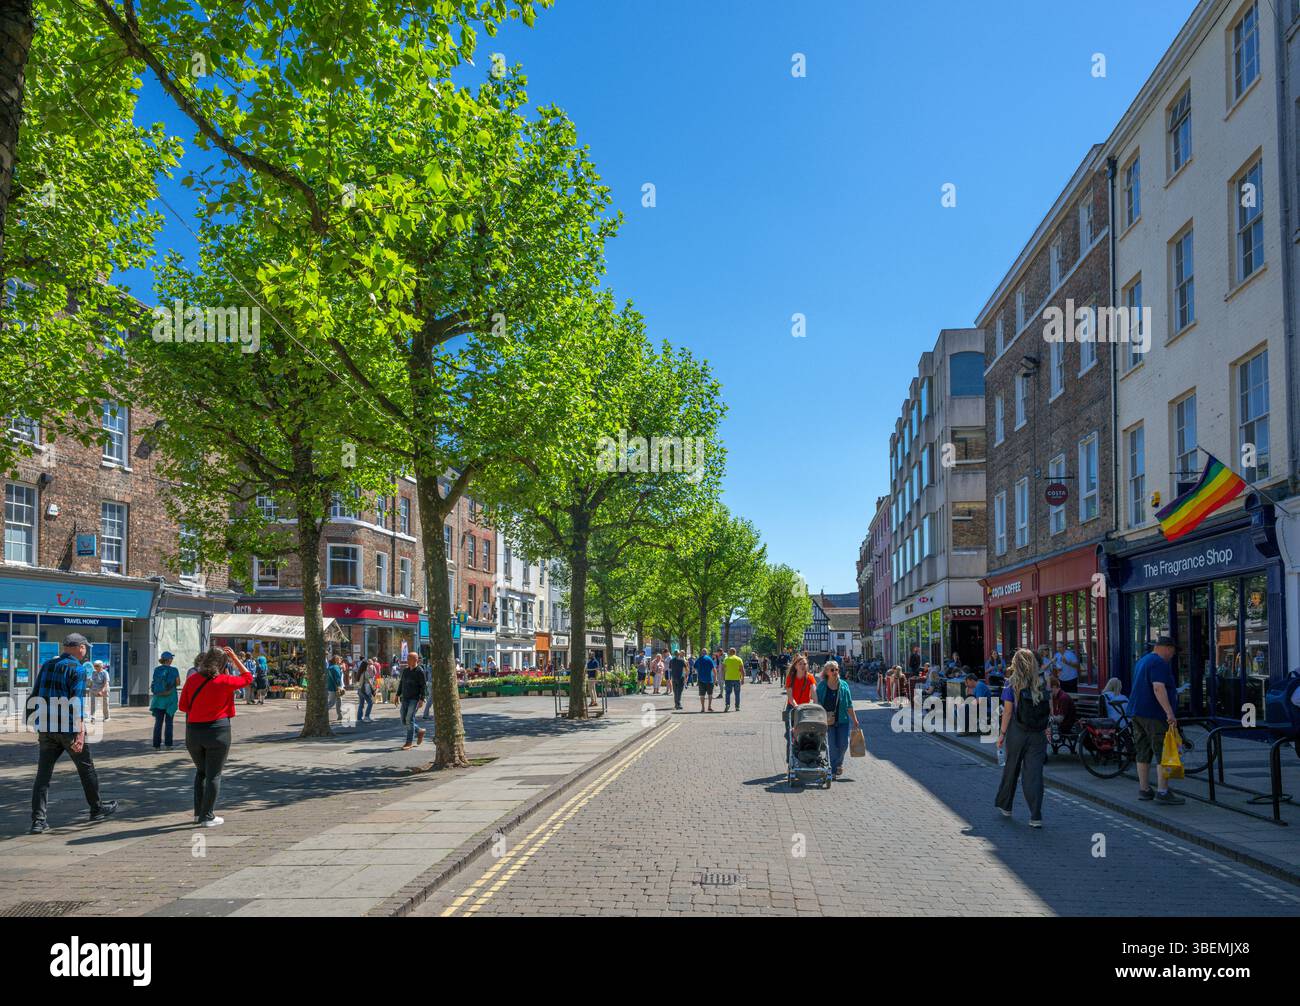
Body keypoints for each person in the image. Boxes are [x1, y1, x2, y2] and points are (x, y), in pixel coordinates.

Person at [28, 633, 118, 834]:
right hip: (68, 728)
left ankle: (38, 820)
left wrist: (36, 723)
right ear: (79, 647)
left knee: (43, 775)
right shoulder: (76, 668)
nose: (85, 651)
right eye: (85, 647)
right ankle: (96, 808)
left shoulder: (47, 665)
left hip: (47, 727)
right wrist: (80, 733)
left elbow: (34, 695)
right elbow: (76, 703)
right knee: (86, 768)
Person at [179, 646, 254, 827]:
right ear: (223, 664)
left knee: (201, 772)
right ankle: (208, 816)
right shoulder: (225, 680)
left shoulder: (192, 680)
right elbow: (248, 678)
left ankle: (198, 813)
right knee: (214, 774)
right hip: (218, 731)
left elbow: (183, 707)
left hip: (194, 733)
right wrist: (235, 657)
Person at [995, 648, 1050, 827]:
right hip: (1038, 733)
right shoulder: (1042, 681)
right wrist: (1047, 728)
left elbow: (1008, 711)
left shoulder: (1011, 683)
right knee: (1034, 774)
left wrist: (1001, 734)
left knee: (1011, 769)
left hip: (1017, 732)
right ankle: (1036, 816)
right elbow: (1049, 708)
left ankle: (1006, 806)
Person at [1130, 636, 1184, 805]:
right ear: (1167, 648)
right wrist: (1169, 713)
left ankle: (1144, 789)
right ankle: (1162, 791)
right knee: (1163, 751)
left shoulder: (1142, 661)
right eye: (1173, 652)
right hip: (1154, 714)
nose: (1172, 655)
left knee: (1142, 751)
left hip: (1137, 712)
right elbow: (1158, 688)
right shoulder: (1159, 663)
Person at [816, 661, 860, 777]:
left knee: (843, 745)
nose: (835, 672)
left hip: (842, 720)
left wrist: (855, 719)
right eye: (832, 670)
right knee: (831, 745)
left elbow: (849, 704)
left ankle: (838, 763)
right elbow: (817, 702)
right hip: (827, 720)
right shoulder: (822, 686)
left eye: (836, 669)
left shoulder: (844, 685)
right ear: (826, 672)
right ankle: (834, 769)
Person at [149, 651, 182, 750]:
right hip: (170, 700)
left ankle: (156, 745)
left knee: (158, 723)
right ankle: (168, 745)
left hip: (158, 700)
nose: (172, 660)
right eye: (171, 658)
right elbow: (178, 683)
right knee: (169, 723)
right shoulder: (174, 670)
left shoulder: (157, 669)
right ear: (169, 660)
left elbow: (155, 682)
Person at [397, 653, 427, 750]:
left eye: (409, 658)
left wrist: (422, 699)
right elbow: (402, 683)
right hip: (405, 698)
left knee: (409, 719)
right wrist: (397, 695)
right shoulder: (405, 670)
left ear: (415, 660)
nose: (407, 660)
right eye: (407, 658)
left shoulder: (420, 671)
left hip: (414, 699)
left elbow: (423, 686)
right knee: (403, 719)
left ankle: (409, 742)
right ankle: (419, 730)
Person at [722, 647, 745, 711]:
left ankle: (727, 705)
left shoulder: (726, 659)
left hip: (728, 678)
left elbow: (723, 669)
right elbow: (742, 670)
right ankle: (737, 707)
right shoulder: (739, 659)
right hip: (737, 678)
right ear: (735, 652)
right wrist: (743, 679)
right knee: (737, 693)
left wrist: (724, 677)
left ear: (730, 652)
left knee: (728, 693)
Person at [355, 658, 375, 723]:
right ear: (365, 666)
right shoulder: (365, 672)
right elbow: (369, 682)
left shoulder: (359, 672)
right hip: (364, 690)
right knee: (370, 702)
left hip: (360, 689)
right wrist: (373, 689)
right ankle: (366, 716)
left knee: (361, 704)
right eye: (367, 665)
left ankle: (359, 718)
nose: (368, 666)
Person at [326, 655, 345, 722]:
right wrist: (339, 686)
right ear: (336, 660)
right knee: (333, 702)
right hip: (336, 687)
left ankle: (340, 715)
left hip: (330, 687)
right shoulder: (336, 667)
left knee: (337, 700)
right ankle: (323, 713)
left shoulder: (329, 667)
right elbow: (337, 678)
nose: (340, 660)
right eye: (339, 659)